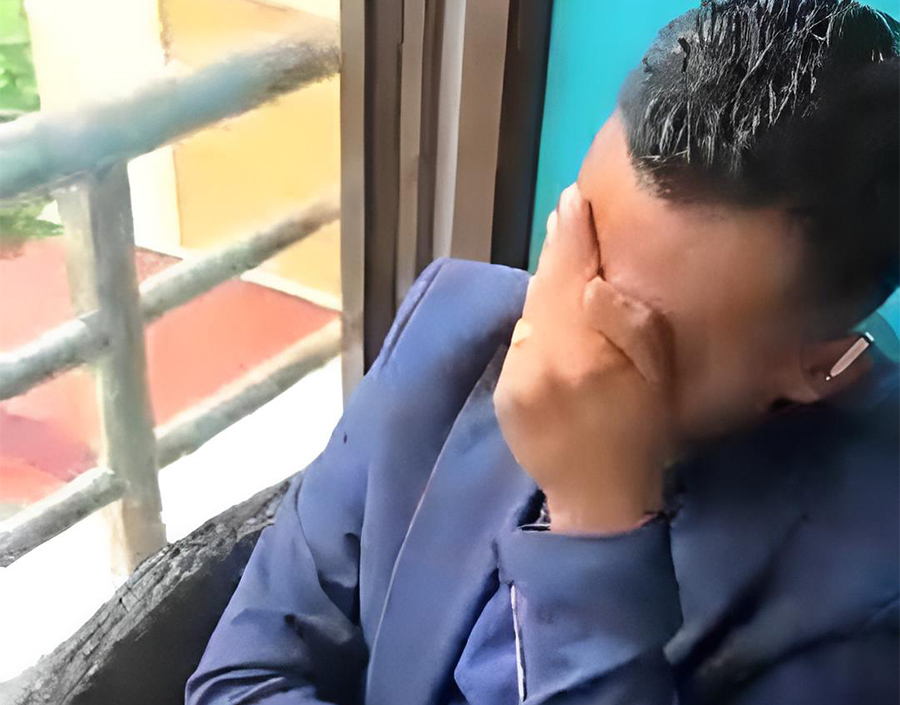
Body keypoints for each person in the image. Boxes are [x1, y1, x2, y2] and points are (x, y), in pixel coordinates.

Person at [185, 1, 899, 703]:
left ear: (821, 365)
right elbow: (241, 679)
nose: (564, 334)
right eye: (576, 250)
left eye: (633, 333)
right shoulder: (455, 327)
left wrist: (596, 526)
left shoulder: (867, 602)